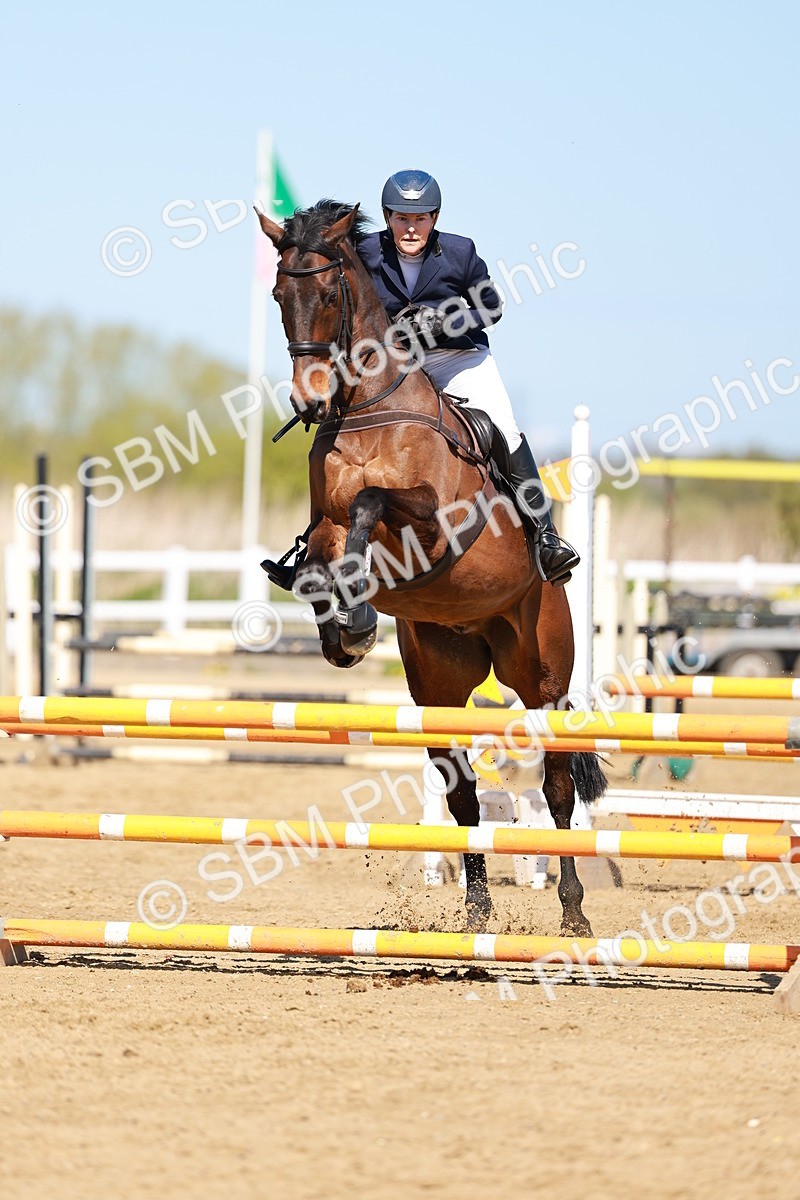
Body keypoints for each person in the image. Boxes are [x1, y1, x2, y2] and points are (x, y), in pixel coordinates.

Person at [357, 169, 579, 586]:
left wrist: (444, 322)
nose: (411, 227)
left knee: (506, 429)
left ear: (435, 218)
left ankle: (546, 537)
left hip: (457, 359)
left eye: (420, 218)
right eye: (402, 217)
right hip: (398, 366)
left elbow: (491, 306)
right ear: (388, 217)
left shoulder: (459, 252)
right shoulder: (366, 252)